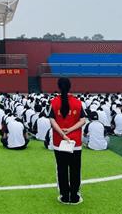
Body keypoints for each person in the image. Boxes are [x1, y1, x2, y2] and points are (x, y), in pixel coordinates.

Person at [48, 77, 87, 205]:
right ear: (70, 86)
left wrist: (62, 134)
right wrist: (70, 131)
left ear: (59, 87)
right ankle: (75, 196)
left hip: (60, 142)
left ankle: (65, 196)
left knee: (62, 168)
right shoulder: (77, 102)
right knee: (75, 169)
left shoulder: (53, 102)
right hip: (74, 141)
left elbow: (52, 121)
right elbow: (83, 120)